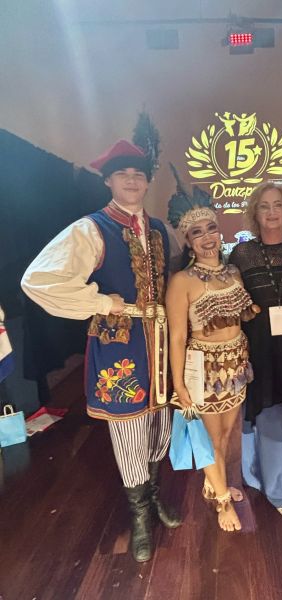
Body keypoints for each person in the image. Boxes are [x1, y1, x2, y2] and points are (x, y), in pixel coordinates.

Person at [21, 139, 182, 563]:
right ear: (108, 180)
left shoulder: (160, 229)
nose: (131, 180)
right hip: (120, 344)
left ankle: (154, 494)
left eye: (138, 174)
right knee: (128, 429)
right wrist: (99, 302)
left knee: (159, 423)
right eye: (122, 174)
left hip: (161, 341)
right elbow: (39, 280)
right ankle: (139, 514)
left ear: (147, 181)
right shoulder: (91, 229)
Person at [165, 172, 258, 532]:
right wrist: (180, 386)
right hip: (203, 369)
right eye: (197, 233)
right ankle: (222, 502)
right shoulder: (182, 281)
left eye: (211, 229)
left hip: (235, 365)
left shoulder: (233, 272)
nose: (207, 238)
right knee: (209, 441)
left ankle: (212, 481)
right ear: (188, 242)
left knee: (223, 437)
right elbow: (177, 337)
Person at [228, 183, 282, 520]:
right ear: (254, 212)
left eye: (277, 205)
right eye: (264, 206)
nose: (271, 212)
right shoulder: (242, 254)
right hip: (262, 348)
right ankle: (280, 492)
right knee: (271, 414)